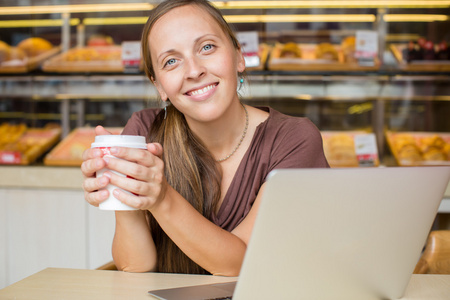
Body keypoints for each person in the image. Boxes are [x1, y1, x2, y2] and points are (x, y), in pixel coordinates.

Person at [81, 0, 329, 277]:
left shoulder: (293, 140)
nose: (194, 70)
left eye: (206, 47)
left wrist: (160, 198)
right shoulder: (144, 131)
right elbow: (135, 267)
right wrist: (119, 190)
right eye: (171, 61)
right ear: (159, 85)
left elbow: (240, 266)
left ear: (238, 56)